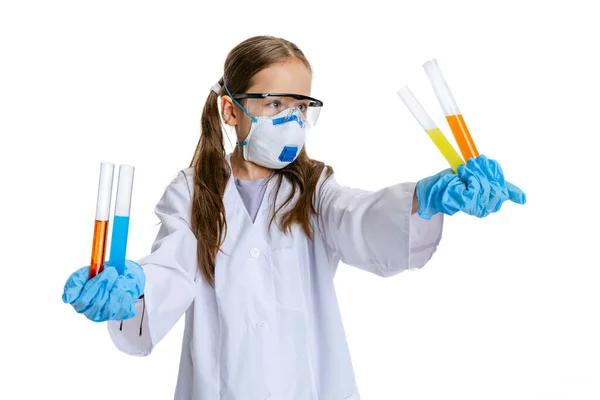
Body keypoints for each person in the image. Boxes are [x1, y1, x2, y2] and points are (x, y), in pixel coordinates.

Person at [62, 35, 526, 399]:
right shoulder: (191, 191)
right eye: (275, 104)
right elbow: (173, 266)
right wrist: (133, 287)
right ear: (232, 110)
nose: (292, 120)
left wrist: (427, 199)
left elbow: (360, 219)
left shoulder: (315, 188)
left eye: (302, 107)